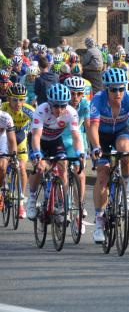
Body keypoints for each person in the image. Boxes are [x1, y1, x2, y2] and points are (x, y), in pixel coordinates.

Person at [86, 68, 129, 244]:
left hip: (121, 131)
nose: (118, 93)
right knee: (103, 175)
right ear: (107, 89)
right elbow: (93, 127)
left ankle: (127, 187)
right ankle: (98, 222)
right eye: (113, 89)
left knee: (126, 149)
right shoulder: (98, 99)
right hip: (101, 137)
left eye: (121, 89)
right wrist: (96, 146)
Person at [27, 84, 85, 220]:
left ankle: (61, 204)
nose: (59, 110)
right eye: (56, 106)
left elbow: (76, 136)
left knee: (63, 165)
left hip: (55, 140)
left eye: (63, 106)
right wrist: (37, 155)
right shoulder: (42, 110)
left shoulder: (71, 112)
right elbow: (35, 136)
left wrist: (80, 153)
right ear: (50, 103)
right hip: (39, 141)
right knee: (40, 167)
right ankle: (32, 197)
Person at [1, 83, 35, 217]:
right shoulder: (3, 108)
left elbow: (38, 128)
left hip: (20, 136)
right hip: (4, 135)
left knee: (21, 167)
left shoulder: (29, 110)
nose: (18, 103)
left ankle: (20, 202)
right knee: (3, 165)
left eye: (22, 99)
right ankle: (3, 187)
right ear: (9, 99)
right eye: (15, 99)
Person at [62, 75, 90, 233]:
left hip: (77, 140)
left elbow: (89, 127)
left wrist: (94, 148)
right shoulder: (60, 103)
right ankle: (62, 202)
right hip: (61, 139)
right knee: (62, 168)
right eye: (72, 93)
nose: (75, 97)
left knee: (79, 172)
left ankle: (80, 205)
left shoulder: (86, 105)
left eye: (79, 94)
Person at [0, 101, 19, 212]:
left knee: (2, 166)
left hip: (2, 139)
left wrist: (14, 155)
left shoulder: (5, 118)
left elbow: (12, 140)